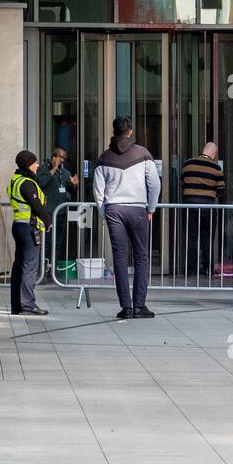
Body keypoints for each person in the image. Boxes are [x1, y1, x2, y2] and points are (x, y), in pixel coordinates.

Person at [93, 116, 160, 319]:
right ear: (130, 131)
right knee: (141, 257)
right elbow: (154, 184)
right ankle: (140, 305)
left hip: (114, 209)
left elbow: (98, 191)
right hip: (138, 209)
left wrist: (105, 212)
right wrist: (151, 208)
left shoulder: (104, 157)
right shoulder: (143, 154)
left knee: (120, 258)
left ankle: (126, 307)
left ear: (113, 132)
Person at [8, 151, 50, 316]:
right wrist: (48, 221)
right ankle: (28, 305)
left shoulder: (15, 180)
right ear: (27, 164)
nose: (37, 165)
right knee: (29, 267)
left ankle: (17, 305)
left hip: (19, 226)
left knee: (19, 266)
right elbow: (37, 206)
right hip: (29, 228)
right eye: (34, 162)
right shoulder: (26, 183)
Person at [180, 142, 225, 278]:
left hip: (189, 204)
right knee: (207, 237)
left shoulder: (188, 164)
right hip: (208, 206)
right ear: (213, 154)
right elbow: (221, 190)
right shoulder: (216, 168)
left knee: (191, 237)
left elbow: (182, 183)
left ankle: (191, 269)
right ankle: (207, 268)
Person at [36, 147, 78, 265]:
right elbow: (41, 183)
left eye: (65, 158)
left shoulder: (65, 172)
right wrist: (53, 168)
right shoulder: (43, 169)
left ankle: (53, 271)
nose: (63, 160)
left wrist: (74, 185)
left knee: (58, 244)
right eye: (61, 157)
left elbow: (70, 191)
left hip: (61, 213)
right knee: (47, 243)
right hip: (49, 213)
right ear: (54, 157)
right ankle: (43, 271)